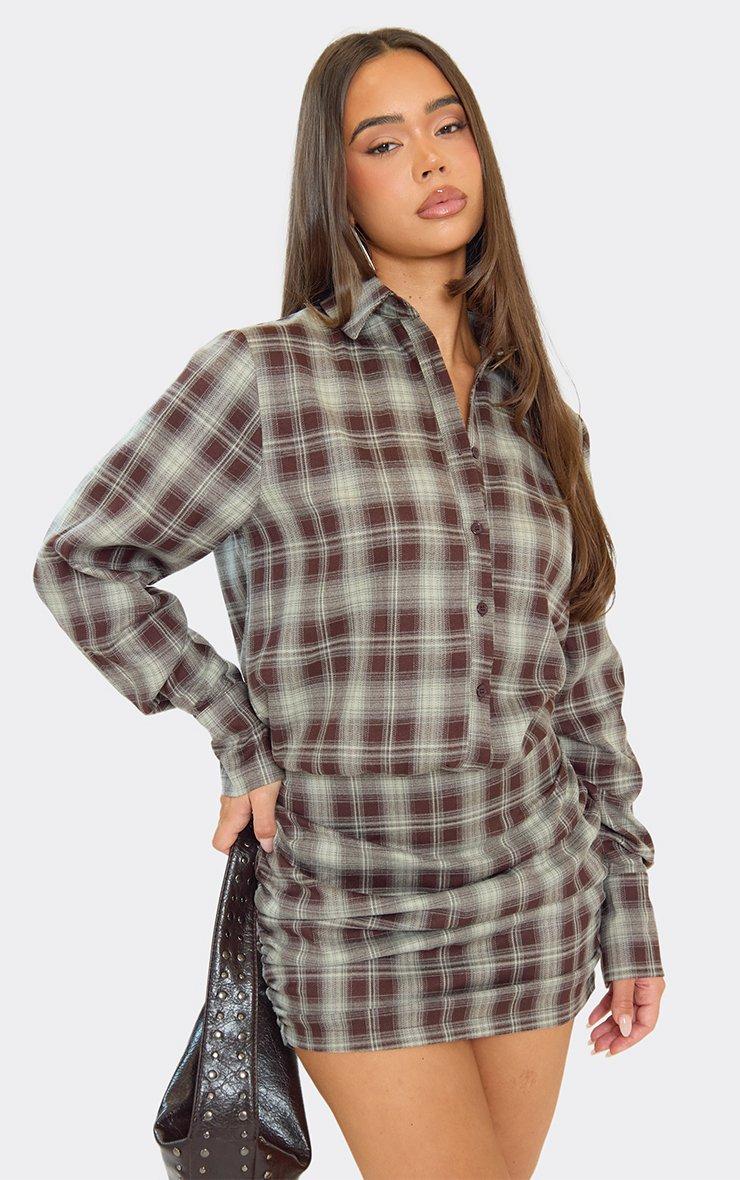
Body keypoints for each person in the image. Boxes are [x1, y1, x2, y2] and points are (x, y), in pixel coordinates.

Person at [32, 27, 666, 1180]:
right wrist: (233, 730)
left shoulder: (535, 410)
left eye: (448, 126)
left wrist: (626, 902)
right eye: (384, 142)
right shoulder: (264, 376)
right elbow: (85, 559)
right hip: (353, 914)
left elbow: (579, 665)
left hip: (535, 901)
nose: (429, 159)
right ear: (338, 185)